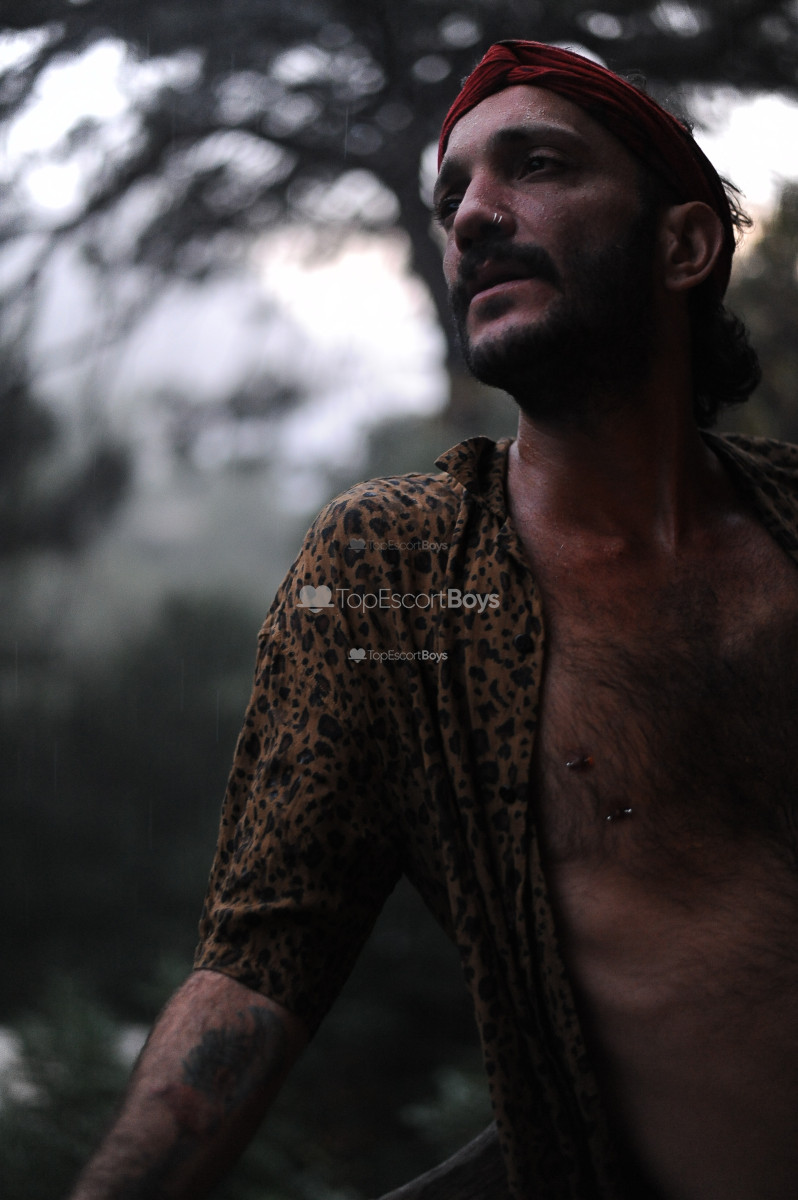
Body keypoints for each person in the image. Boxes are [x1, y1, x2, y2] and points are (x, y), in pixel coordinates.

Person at [67, 39, 798, 1200]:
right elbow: (256, 971)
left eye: (537, 165)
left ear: (684, 245)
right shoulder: (399, 569)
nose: (472, 218)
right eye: (451, 195)